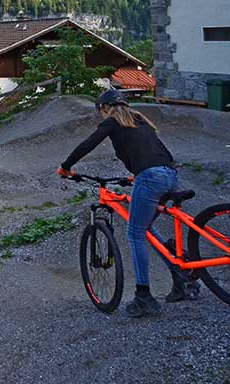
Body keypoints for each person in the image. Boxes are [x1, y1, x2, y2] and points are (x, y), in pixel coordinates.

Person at [57, 89, 194, 318]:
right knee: (146, 227)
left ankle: (144, 296)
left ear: (104, 108)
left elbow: (87, 144)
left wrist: (66, 166)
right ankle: (180, 276)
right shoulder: (140, 120)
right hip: (168, 174)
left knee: (134, 233)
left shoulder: (112, 122)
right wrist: (139, 173)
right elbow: (160, 152)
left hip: (150, 177)